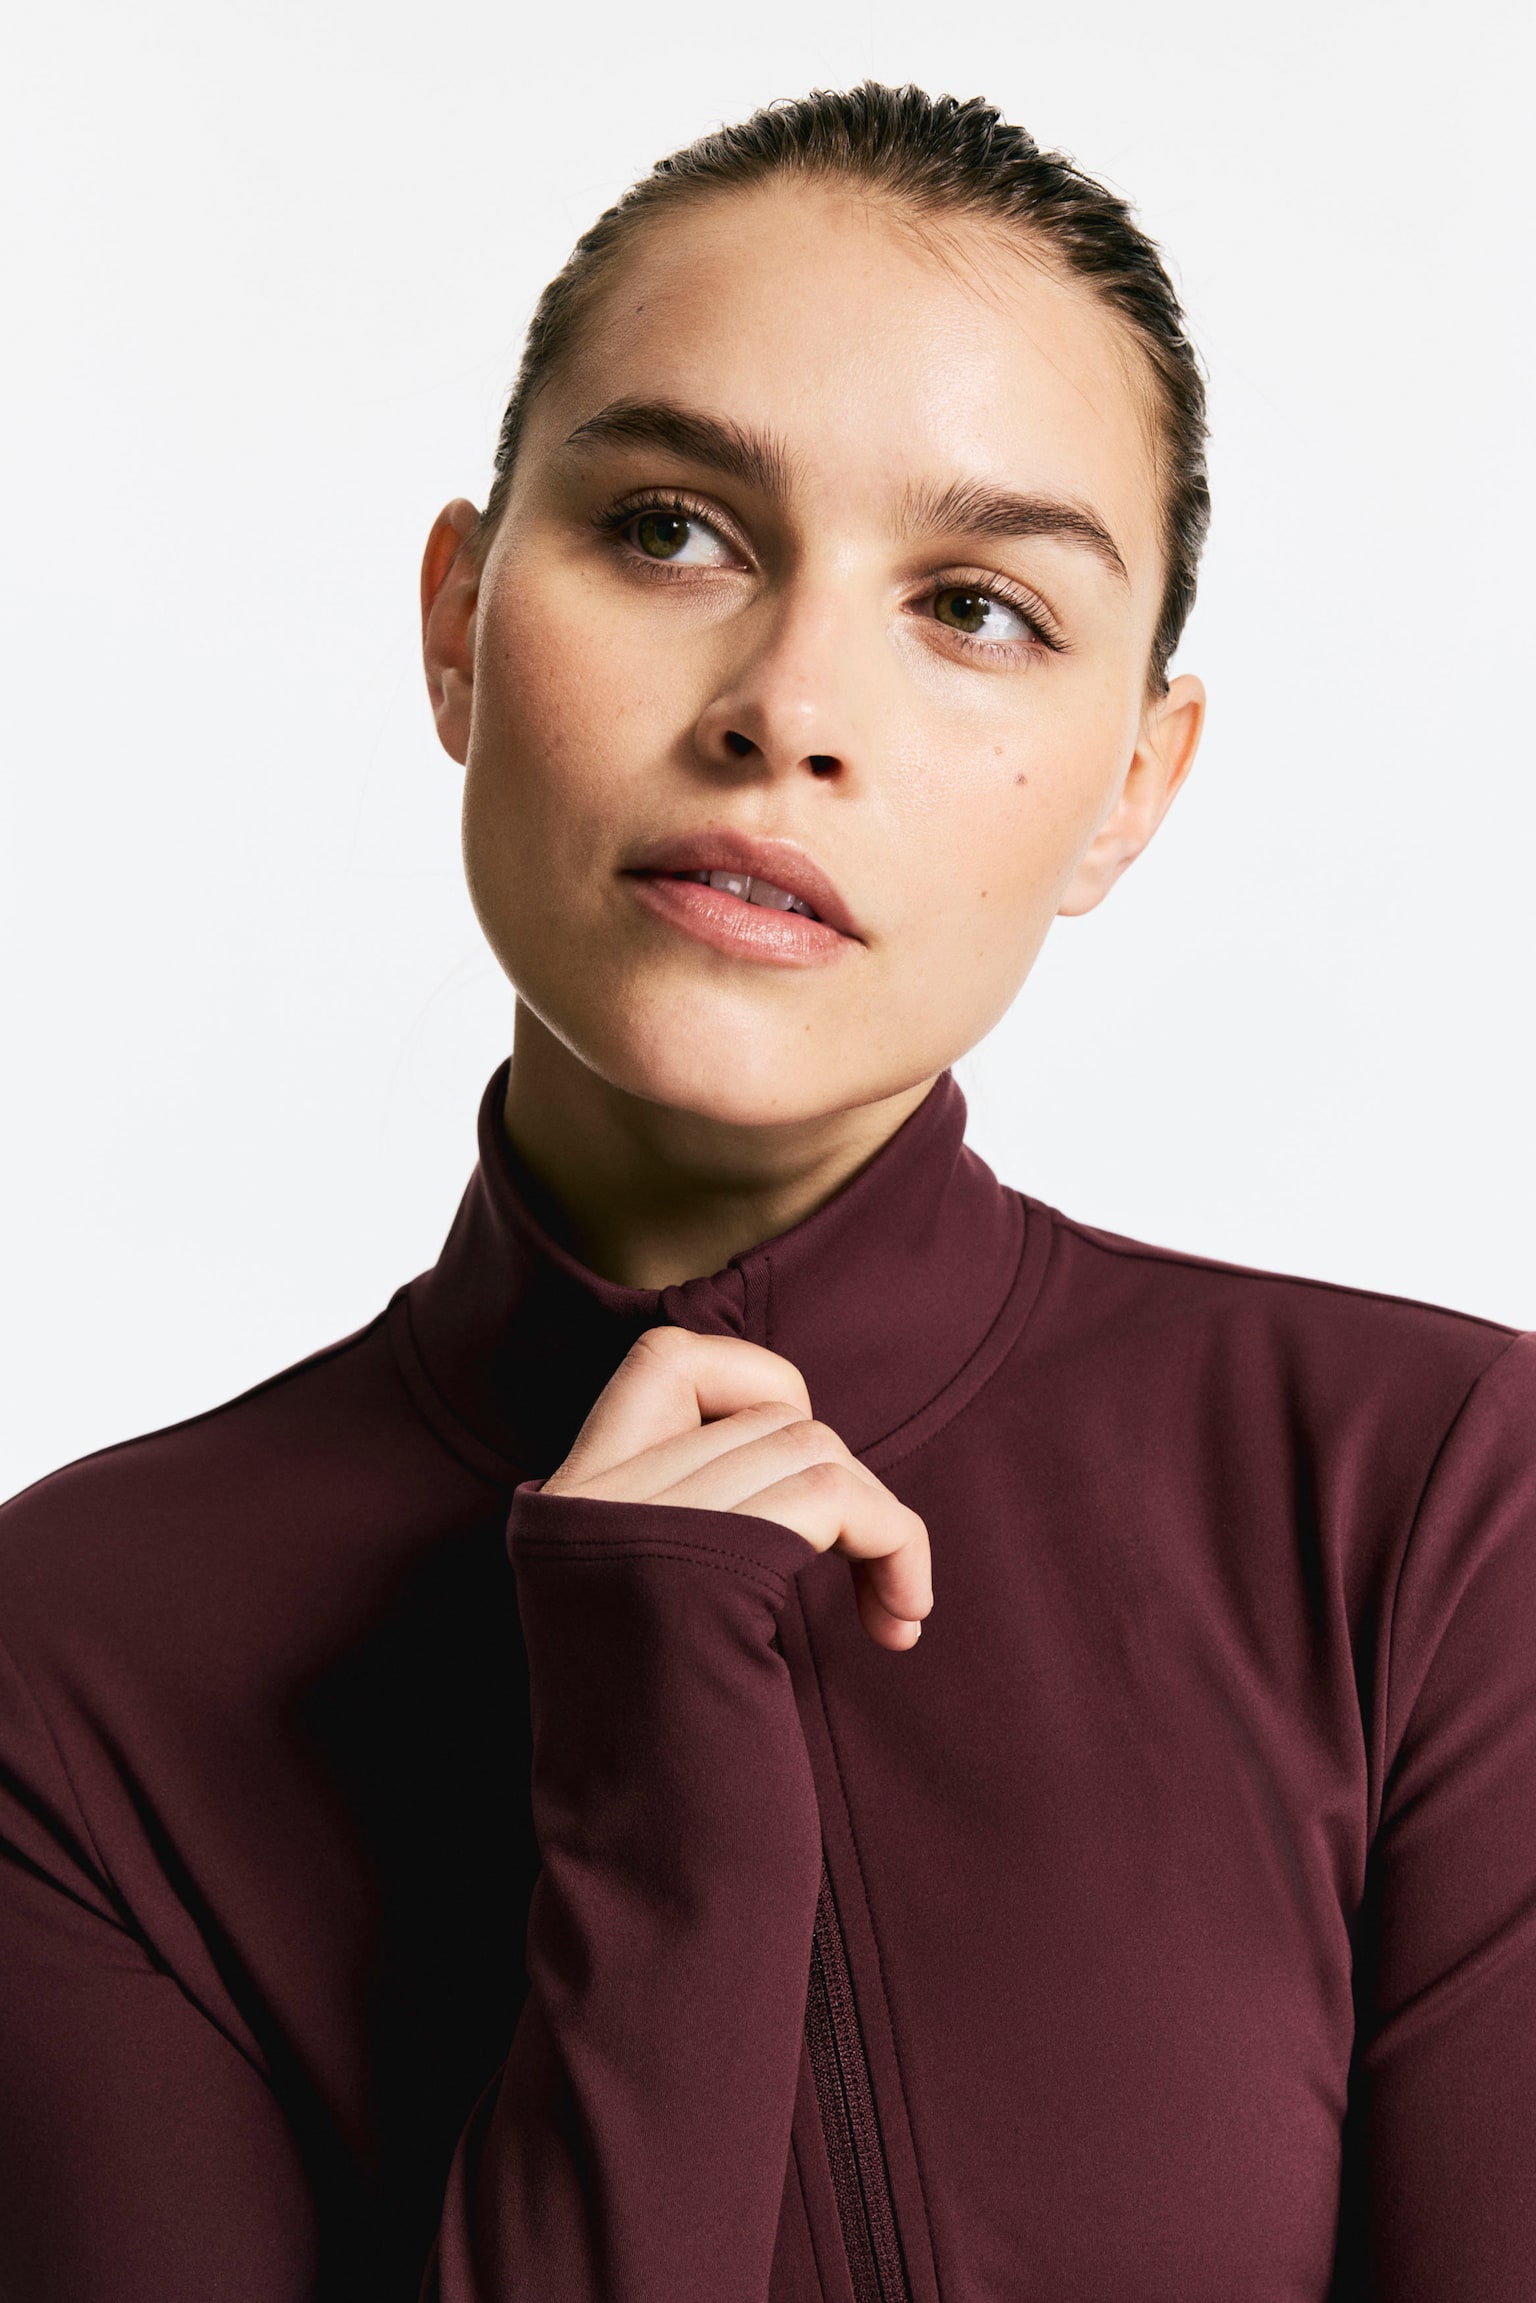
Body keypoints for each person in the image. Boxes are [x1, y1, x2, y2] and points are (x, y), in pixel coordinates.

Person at [1, 79, 1531, 2303]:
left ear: (1131, 786)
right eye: (672, 531)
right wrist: (660, 1812)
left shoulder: (1440, 1513)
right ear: (458, 618)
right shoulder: (73, 1664)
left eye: (978, 607)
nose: (790, 707)